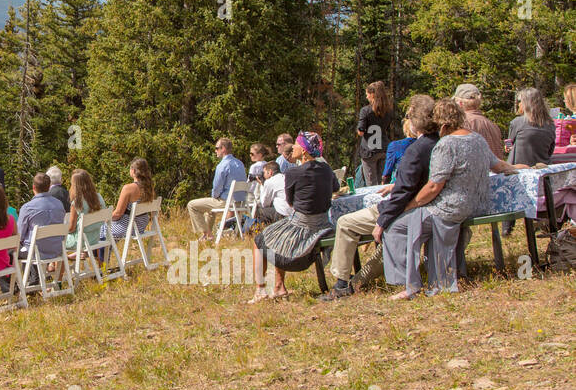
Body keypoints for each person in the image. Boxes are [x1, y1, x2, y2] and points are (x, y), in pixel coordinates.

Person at [382, 99, 519, 299]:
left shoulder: (446, 144)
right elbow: (499, 166)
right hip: (475, 204)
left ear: (443, 124)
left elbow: (434, 186)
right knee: (419, 220)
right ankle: (440, 271)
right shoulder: (477, 139)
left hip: (450, 208)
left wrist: (410, 206)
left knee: (398, 225)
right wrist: (523, 167)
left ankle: (409, 283)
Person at [321, 95, 437, 302]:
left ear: (414, 121)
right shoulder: (439, 143)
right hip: (425, 205)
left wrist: (382, 220)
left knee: (345, 222)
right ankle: (356, 281)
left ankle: (341, 283)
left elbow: (403, 194)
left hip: (404, 208)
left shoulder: (415, 151)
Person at [248, 132, 338, 302]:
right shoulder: (326, 169)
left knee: (261, 240)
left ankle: (261, 289)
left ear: (304, 151)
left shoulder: (294, 173)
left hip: (302, 228)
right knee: (277, 234)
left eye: (296, 145)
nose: (292, 148)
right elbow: (335, 187)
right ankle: (279, 287)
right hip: (324, 227)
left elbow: (290, 203)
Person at [501, 88, 553, 235]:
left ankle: (507, 227)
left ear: (525, 104)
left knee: (509, 189)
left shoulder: (518, 122)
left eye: (519, 102)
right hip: (541, 169)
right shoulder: (550, 124)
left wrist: (507, 148)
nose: (518, 105)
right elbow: (551, 149)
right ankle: (543, 223)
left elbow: (509, 145)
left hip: (519, 169)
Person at [186, 138, 248, 241]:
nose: (215, 151)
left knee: (192, 205)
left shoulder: (222, 165)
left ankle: (207, 234)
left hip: (226, 202)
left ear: (223, 149)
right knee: (209, 209)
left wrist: (215, 196)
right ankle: (207, 236)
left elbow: (216, 189)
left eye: (216, 148)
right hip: (239, 202)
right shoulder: (240, 163)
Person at [17, 172, 67, 264]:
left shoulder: (28, 208)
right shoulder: (59, 204)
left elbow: (19, 236)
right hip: (57, 249)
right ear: (49, 187)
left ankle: (26, 278)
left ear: (33, 187)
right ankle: (34, 277)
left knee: (10, 252)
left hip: (34, 252)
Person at [356, 81, 395, 187]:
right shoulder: (389, 111)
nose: (366, 96)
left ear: (372, 94)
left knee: (371, 184)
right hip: (383, 149)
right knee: (382, 183)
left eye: (367, 94)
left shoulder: (365, 111)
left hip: (369, 150)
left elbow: (361, 131)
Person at [453, 83, 505, 160]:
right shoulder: (492, 124)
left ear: (460, 103)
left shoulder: (463, 124)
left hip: (475, 171)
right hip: (496, 170)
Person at [111, 157, 157, 242]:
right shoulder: (149, 188)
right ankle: (97, 254)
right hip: (140, 226)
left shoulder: (128, 188)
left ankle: (95, 255)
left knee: (100, 230)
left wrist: (105, 218)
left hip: (128, 226)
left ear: (133, 171)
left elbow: (118, 214)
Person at [64, 168, 107, 253]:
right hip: (94, 238)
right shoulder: (99, 197)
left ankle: (53, 266)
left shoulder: (77, 203)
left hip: (79, 241)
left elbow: (71, 228)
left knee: (56, 243)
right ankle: (74, 257)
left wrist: (62, 230)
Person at [383, 118, 417, 183]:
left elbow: (386, 173)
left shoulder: (395, 145)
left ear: (405, 130)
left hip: (399, 184)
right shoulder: (425, 144)